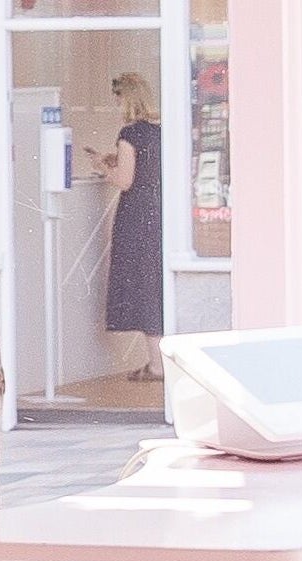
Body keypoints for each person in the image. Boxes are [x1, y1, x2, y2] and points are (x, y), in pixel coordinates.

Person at [92, 70, 166, 385]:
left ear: (127, 99)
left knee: (140, 285)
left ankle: (156, 365)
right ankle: (161, 362)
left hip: (135, 217)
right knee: (155, 284)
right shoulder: (160, 132)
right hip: (159, 214)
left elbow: (125, 181)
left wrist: (103, 168)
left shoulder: (130, 134)